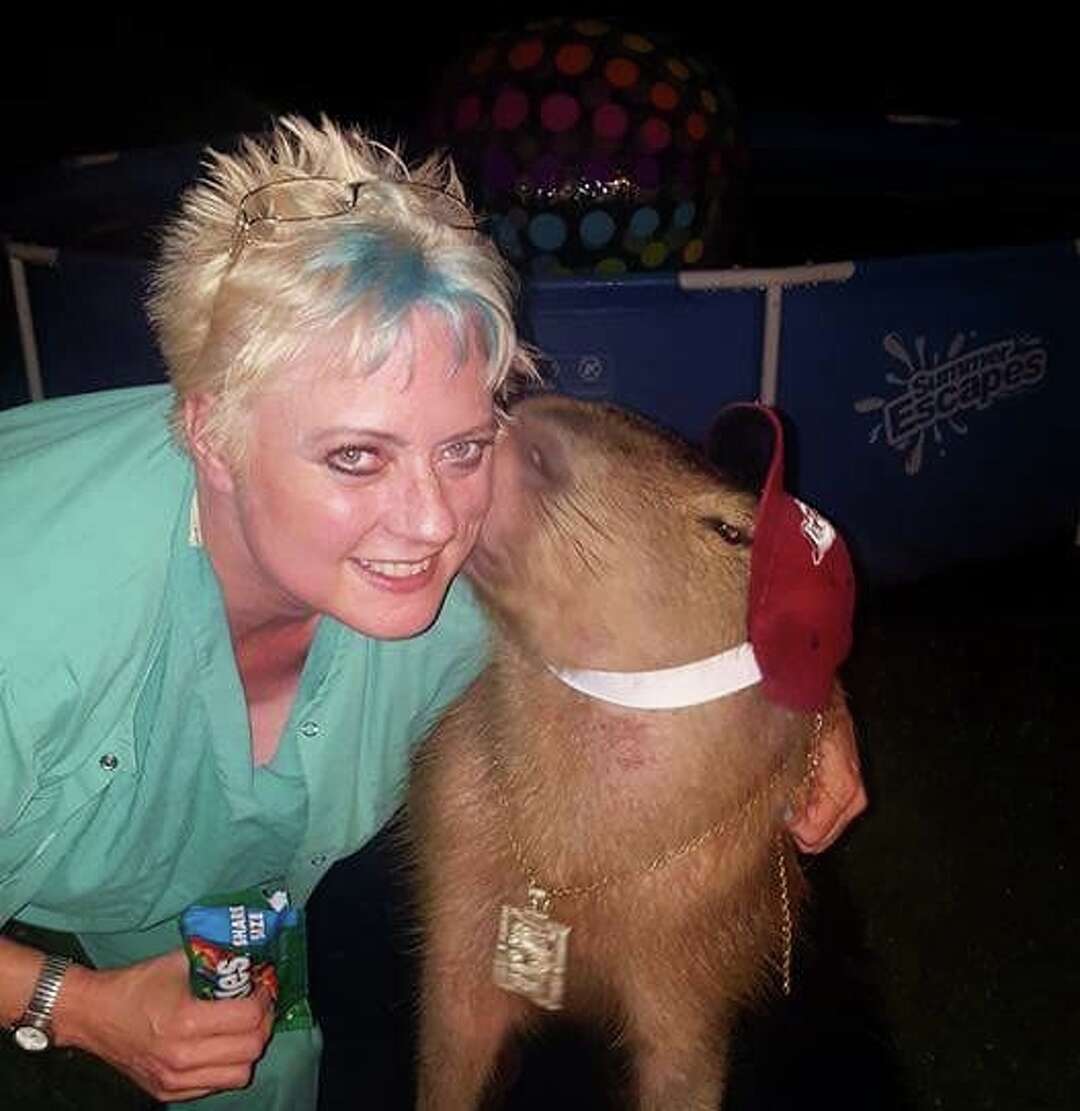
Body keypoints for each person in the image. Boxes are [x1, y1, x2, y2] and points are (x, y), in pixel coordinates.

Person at [0, 116, 865, 1110]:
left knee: (252, 1065)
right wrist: (71, 1004)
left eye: (462, 447)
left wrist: (814, 703)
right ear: (212, 432)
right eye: (355, 456)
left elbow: (667, 615)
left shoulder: (449, 578)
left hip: (215, 878)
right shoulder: (32, 627)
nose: (431, 521)